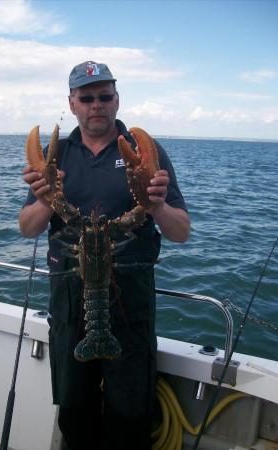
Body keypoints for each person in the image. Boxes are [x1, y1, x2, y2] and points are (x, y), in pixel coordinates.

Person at [19, 61, 190, 450]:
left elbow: (180, 232)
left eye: (104, 96)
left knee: (130, 417)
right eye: (87, 98)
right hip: (69, 304)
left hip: (130, 304)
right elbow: (27, 227)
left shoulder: (147, 152)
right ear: (72, 103)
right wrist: (47, 199)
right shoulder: (56, 153)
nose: (96, 104)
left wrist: (157, 205)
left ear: (116, 100)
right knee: (74, 413)